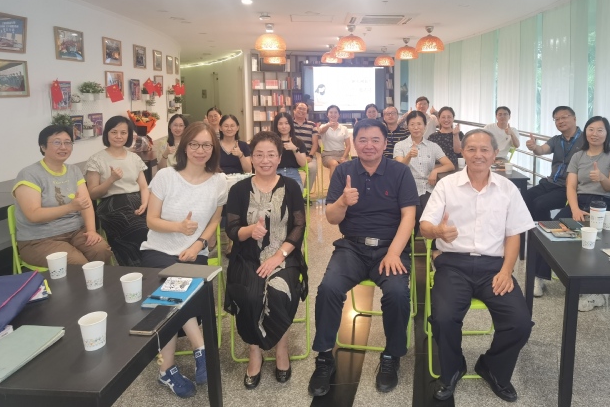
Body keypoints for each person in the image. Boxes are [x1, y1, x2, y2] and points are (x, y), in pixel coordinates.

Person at [420, 129, 533, 402]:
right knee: (443, 318)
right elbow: (424, 226)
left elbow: (514, 235)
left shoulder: (508, 189)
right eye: (471, 149)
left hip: (494, 267)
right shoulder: (447, 185)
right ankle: (452, 368)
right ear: (463, 152)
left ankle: (492, 367)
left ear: (495, 154)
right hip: (453, 264)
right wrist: (438, 232)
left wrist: (507, 271)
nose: (478, 155)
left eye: (485, 149)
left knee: (519, 323)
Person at [309, 118, 419, 396]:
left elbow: (409, 216)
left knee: (397, 294)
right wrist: (343, 201)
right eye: (363, 140)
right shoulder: (343, 171)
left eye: (375, 140)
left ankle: (391, 356)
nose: (369, 145)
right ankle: (324, 356)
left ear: (385, 143)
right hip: (352, 247)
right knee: (328, 288)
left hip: (389, 248)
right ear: (354, 143)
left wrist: (394, 252)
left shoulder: (399, 172)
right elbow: (332, 218)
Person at [143, 122, 228, 398]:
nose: (200, 150)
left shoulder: (219, 181)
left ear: (213, 148)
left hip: (194, 252)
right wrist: (178, 227)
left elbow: (214, 220)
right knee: (178, 288)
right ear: (184, 146)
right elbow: (151, 220)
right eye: (194, 144)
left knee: (172, 296)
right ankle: (202, 348)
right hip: (158, 250)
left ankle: (166, 370)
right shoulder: (166, 176)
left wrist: (199, 244)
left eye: (206, 145)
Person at [225, 131, 307, 389]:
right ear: (251, 157)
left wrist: (279, 255)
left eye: (271, 154)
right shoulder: (238, 189)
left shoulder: (291, 187)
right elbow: (231, 229)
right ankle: (255, 351)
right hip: (247, 257)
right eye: (259, 154)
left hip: (284, 254)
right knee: (249, 295)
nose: (265, 160)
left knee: (279, 291)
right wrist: (250, 231)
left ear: (279, 158)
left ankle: (281, 346)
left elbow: (299, 226)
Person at [551, 116, 610, 311]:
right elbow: (571, 186)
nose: (595, 134)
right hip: (579, 201)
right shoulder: (578, 156)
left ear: (607, 133)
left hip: (604, 203)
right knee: (551, 229)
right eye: (591, 129)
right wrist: (575, 209)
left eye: (600, 130)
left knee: (594, 240)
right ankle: (540, 278)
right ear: (585, 132)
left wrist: (601, 177)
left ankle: (595, 291)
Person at [13, 125, 113, 268]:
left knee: (101, 250)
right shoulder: (29, 174)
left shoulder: (74, 170)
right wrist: (70, 207)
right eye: (57, 142)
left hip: (76, 232)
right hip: (39, 239)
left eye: (67, 142)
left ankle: (104, 282)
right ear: (43, 147)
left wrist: (91, 231)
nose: (63, 147)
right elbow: (33, 215)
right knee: (78, 264)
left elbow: (85, 204)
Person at [85, 116, 149, 266]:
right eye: (114, 132)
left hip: (138, 202)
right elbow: (92, 193)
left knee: (159, 225)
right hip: (112, 205)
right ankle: (135, 267)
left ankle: (155, 266)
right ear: (107, 134)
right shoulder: (96, 159)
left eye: (123, 133)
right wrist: (111, 180)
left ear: (129, 135)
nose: (118, 136)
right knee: (141, 231)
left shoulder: (134, 158)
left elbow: (144, 187)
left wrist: (145, 203)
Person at [523, 106, 584, 222]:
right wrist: (534, 147)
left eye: (564, 117)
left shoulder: (585, 140)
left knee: (540, 203)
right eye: (557, 119)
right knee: (526, 196)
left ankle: (546, 229)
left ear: (574, 118)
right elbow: (541, 150)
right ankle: (535, 227)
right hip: (552, 182)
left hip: (569, 187)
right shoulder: (556, 140)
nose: (560, 121)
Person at [394, 111, 455, 224]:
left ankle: (429, 234)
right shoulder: (400, 145)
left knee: (434, 213)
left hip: (428, 188)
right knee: (417, 214)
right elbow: (399, 168)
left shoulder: (433, 146)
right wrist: (409, 156)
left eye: (419, 124)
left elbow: (450, 165)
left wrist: (435, 171)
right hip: (408, 188)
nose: (416, 127)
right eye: (412, 124)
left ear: (425, 126)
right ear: (407, 126)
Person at [271, 112, 308, 190]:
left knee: (295, 192)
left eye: (286, 123)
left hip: (293, 174)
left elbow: (303, 163)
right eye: (280, 124)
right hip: (275, 174)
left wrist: (295, 149)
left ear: (291, 125)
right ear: (276, 126)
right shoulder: (271, 142)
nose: (284, 126)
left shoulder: (298, 142)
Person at [317, 104, 350, 183]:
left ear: (339, 115)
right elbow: (321, 131)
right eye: (331, 112)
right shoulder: (324, 126)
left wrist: (344, 157)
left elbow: (348, 145)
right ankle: (334, 188)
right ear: (327, 115)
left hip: (342, 153)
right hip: (328, 154)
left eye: (335, 112)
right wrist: (329, 125)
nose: (333, 114)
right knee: (334, 164)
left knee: (347, 165)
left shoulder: (344, 128)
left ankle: (345, 186)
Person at [292, 102, 319, 192]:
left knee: (312, 168)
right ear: (294, 110)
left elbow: (315, 144)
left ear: (307, 112)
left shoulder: (312, 125)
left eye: (304, 109)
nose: (302, 111)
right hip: (292, 155)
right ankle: (293, 192)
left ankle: (304, 194)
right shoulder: (289, 124)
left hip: (308, 155)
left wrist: (310, 156)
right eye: (299, 108)